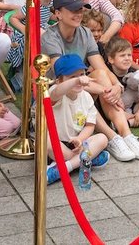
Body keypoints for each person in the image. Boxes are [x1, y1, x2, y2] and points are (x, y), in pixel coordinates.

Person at [41, 0, 139, 161]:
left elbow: (101, 67)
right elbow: (63, 77)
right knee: (99, 85)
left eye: (79, 9)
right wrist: (105, 90)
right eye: (73, 10)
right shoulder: (49, 37)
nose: (78, 14)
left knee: (101, 75)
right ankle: (113, 137)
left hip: (80, 90)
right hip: (57, 94)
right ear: (58, 13)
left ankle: (126, 136)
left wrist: (116, 86)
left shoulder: (84, 32)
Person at [43, 54, 112, 186]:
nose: (79, 80)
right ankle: (88, 159)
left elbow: (90, 125)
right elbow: (57, 92)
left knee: (102, 138)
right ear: (59, 81)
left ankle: (64, 168)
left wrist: (80, 139)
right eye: (72, 76)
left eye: (81, 74)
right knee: (45, 140)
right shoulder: (55, 92)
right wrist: (76, 81)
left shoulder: (86, 97)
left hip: (77, 144)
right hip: (57, 144)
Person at [104, 36, 139, 129]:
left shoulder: (135, 73)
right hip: (115, 108)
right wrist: (123, 113)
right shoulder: (108, 74)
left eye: (129, 55)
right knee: (114, 112)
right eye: (122, 55)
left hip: (133, 107)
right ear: (111, 59)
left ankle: (128, 123)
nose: (127, 58)